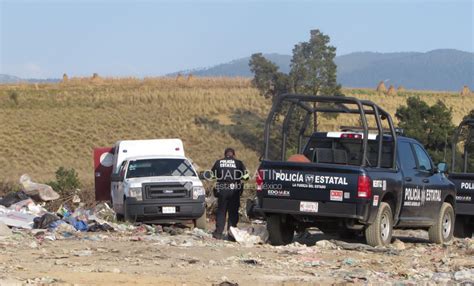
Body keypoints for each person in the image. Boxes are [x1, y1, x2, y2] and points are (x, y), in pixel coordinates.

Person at [211, 147, 249, 240]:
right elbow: (246, 177)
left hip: (222, 188)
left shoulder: (218, 162)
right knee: (233, 212)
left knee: (221, 211)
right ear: (234, 155)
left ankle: (218, 233)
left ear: (225, 155)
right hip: (234, 189)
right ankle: (231, 235)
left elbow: (212, 176)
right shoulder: (238, 163)